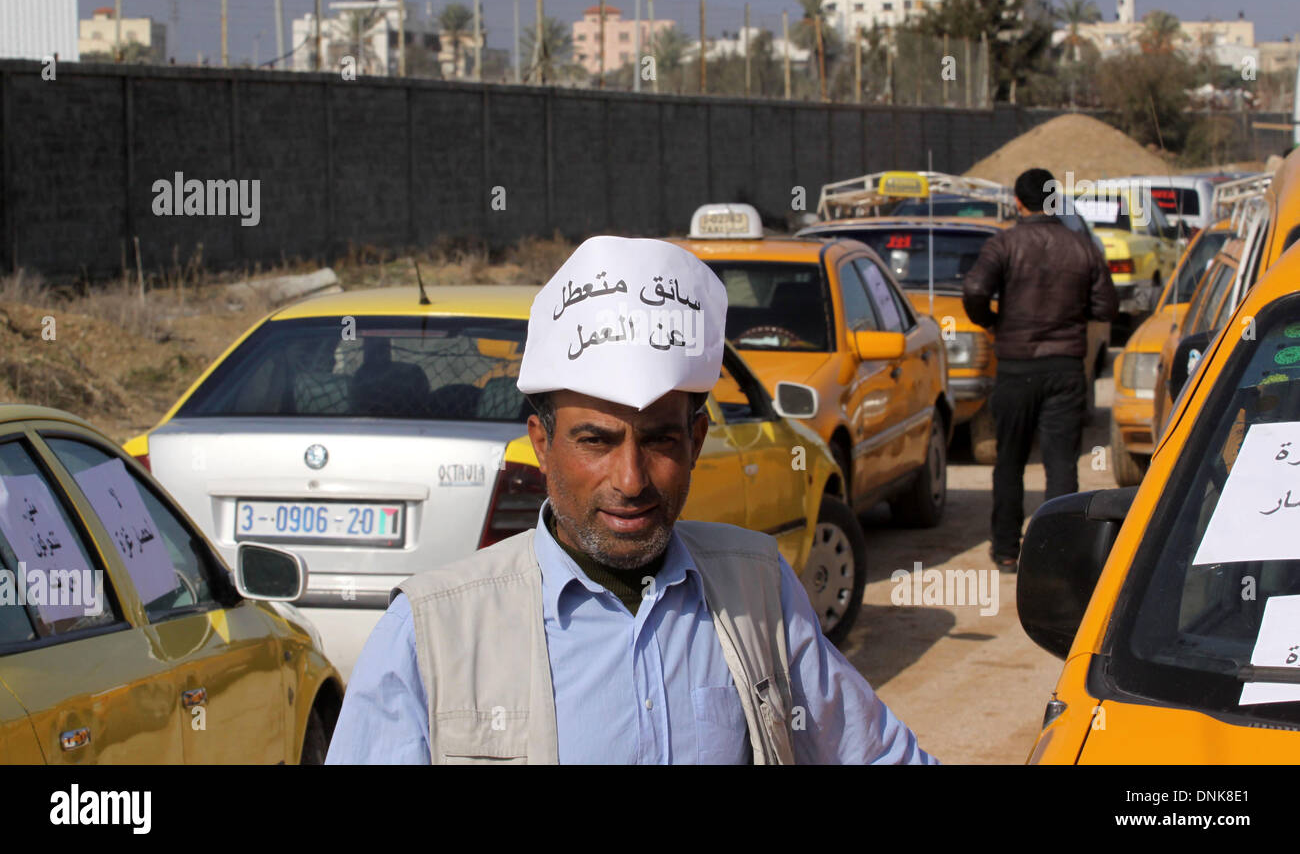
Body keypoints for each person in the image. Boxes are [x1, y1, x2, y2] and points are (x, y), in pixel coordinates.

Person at [326, 235, 937, 765]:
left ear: (696, 439)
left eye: (659, 439)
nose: (631, 478)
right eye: (595, 441)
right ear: (542, 443)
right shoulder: (431, 632)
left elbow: (874, 751)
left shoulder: (756, 590)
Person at [962, 168, 1118, 574]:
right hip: (1065, 367)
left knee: (1009, 461)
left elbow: (975, 290)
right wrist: (1072, 317)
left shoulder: (1004, 244)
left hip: (1015, 367)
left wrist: (994, 322)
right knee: (1061, 464)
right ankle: (1058, 551)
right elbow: (1106, 307)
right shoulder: (1082, 246)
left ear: (1017, 202)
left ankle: (1006, 550)